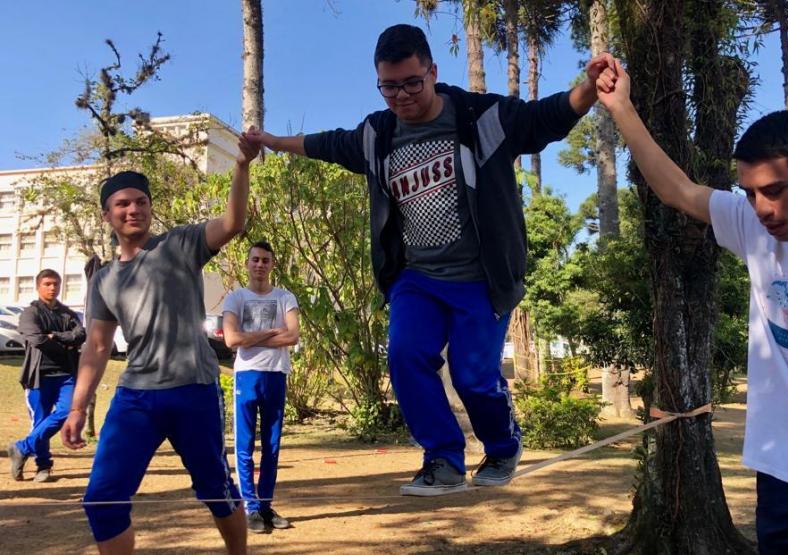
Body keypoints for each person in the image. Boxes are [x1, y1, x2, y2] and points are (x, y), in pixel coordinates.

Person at [244, 23, 612, 495]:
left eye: (412, 83)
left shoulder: (481, 118)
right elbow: (326, 144)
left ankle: (502, 446)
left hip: (480, 277)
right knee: (404, 354)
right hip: (416, 277)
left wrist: (589, 88)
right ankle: (442, 458)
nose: (401, 96)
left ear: (433, 72)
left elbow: (547, 117)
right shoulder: (378, 134)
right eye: (389, 86)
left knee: (473, 377)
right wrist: (271, 141)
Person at [597, 57, 788, 555]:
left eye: (775, 190)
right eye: (749, 193)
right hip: (783, 468)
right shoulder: (751, 223)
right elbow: (677, 189)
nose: (763, 208)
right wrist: (621, 108)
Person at [60, 131, 259, 555]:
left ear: (150, 207)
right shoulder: (105, 280)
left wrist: (240, 167)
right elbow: (96, 347)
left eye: (141, 201)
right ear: (107, 215)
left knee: (215, 491)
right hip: (137, 398)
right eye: (122, 204)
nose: (133, 209)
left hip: (194, 390)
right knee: (102, 499)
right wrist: (77, 407)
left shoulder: (180, 245)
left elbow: (233, 224)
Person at [222, 241, 300, 533]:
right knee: (245, 446)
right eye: (255, 259)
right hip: (246, 376)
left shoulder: (284, 297)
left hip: (275, 374)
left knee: (272, 446)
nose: (260, 265)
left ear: (272, 264)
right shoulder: (236, 297)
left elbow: (292, 336)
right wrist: (269, 332)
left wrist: (250, 336)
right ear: (247, 263)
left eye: (265, 260)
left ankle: (265, 506)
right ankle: (251, 508)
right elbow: (231, 339)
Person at [8, 268, 86, 483]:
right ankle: (43, 466)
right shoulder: (30, 313)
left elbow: (80, 334)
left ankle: (21, 447)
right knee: (40, 421)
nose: (52, 288)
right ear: (38, 286)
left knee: (65, 412)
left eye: (56, 284)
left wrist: (56, 336)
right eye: (48, 284)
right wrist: (64, 345)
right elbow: (37, 339)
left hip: (66, 375)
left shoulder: (67, 313)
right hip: (38, 377)